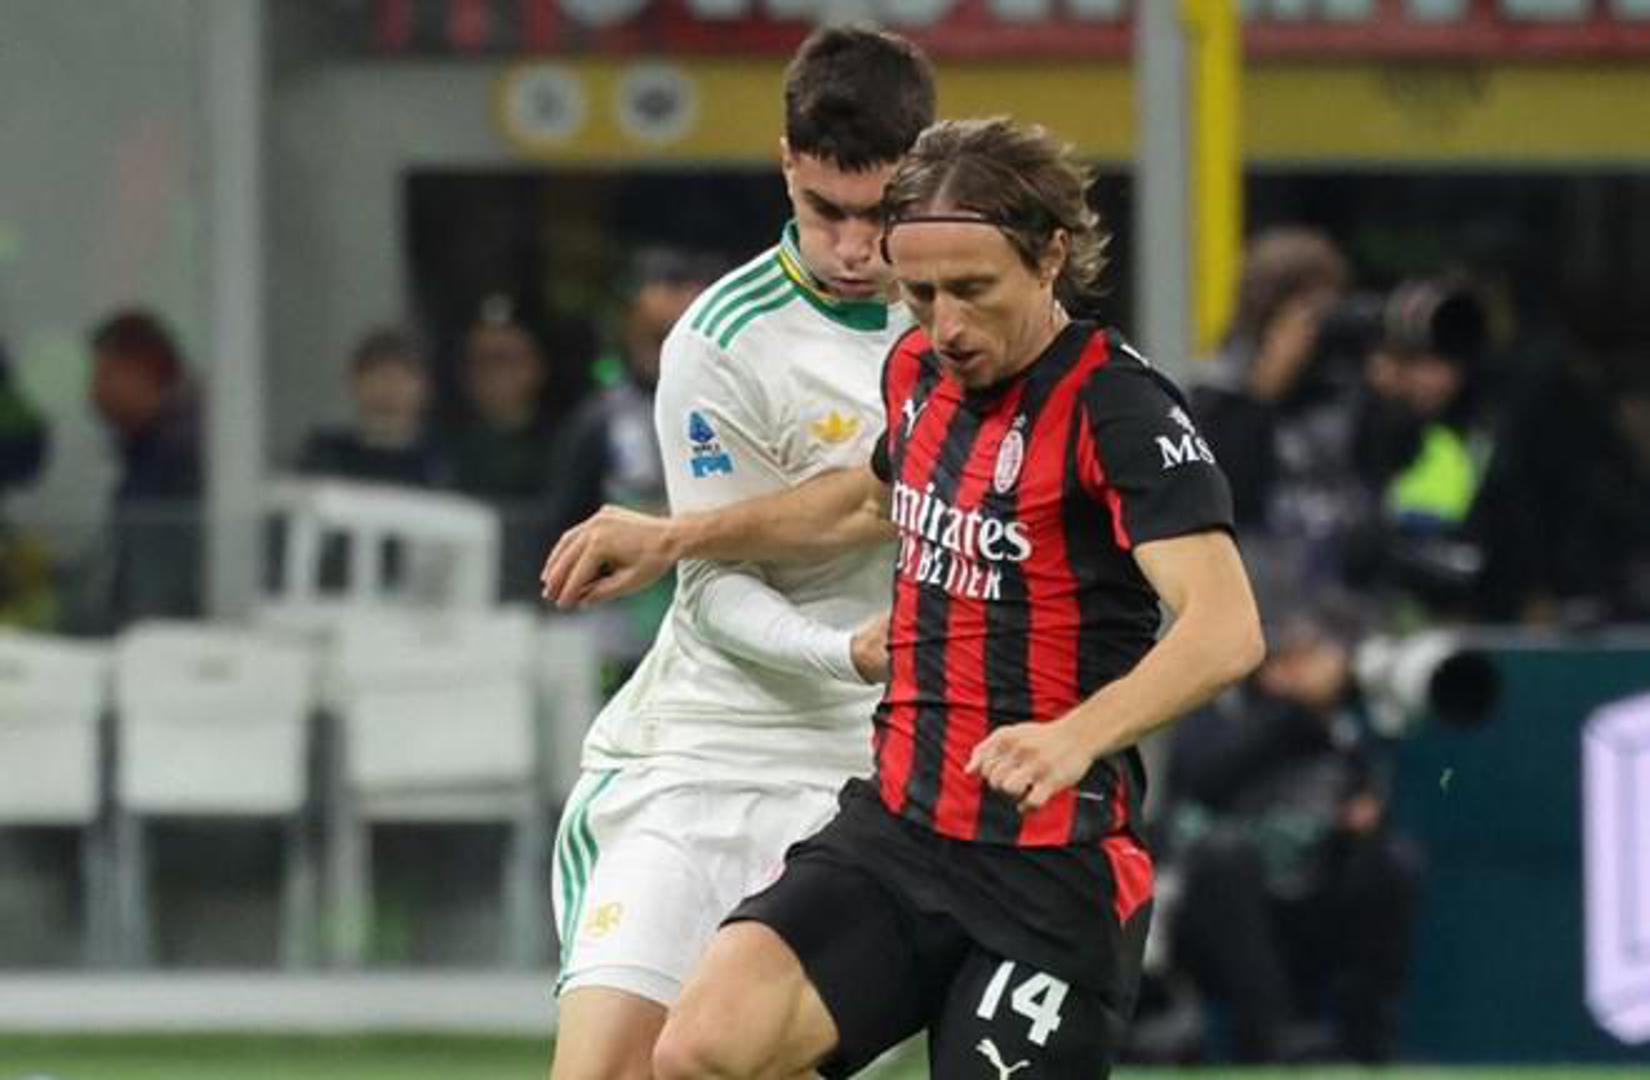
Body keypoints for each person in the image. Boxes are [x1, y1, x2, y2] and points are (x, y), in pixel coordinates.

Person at [544, 118, 1264, 1079]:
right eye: (920, 294)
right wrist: (676, 537)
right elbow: (866, 499)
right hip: (897, 832)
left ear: (1051, 255)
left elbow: (1225, 630)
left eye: (973, 289)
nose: (946, 324)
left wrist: (1073, 737)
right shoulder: (918, 374)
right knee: (698, 1052)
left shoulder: (1120, 411)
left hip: (1049, 866)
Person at [541, 27, 936, 1080]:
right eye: (825, 211)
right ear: (785, 165)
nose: (852, 247)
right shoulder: (722, 339)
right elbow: (716, 590)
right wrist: (844, 651)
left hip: (873, 775)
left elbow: (890, 498)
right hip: (705, 749)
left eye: (880, 215)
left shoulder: (971, 320)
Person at [545, 249, 716, 693]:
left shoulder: (729, 405)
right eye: (656, 338)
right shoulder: (602, 419)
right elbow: (562, 522)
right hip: (622, 632)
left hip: (715, 627)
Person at [76, 309, 202, 632]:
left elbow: (155, 582)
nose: (93, 394)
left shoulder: (178, 460)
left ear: (142, 371)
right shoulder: (147, 450)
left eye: (105, 374)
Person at [447, 303, 559, 601]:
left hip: (540, 596)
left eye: (506, 360)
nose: (495, 374)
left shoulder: (564, 445)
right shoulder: (445, 448)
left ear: (535, 367)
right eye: (482, 363)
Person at [297, 326, 446, 488]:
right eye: (379, 375)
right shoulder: (326, 455)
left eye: (403, 377)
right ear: (355, 381)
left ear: (426, 388)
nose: (390, 388)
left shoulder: (441, 463)